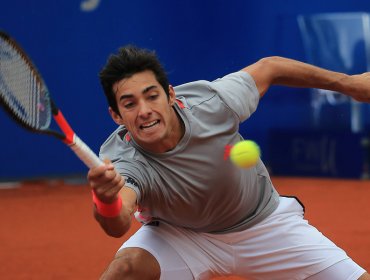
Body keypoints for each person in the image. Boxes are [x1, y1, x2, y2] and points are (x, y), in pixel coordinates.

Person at [87, 45, 370, 280]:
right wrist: (105, 200)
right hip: (183, 236)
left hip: (264, 225)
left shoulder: (211, 103)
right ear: (116, 115)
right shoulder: (122, 157)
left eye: (152, 96)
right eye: (130, 103)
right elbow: (118, 221)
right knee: (124, 270)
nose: (145, 111)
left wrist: (351, 84)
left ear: (171, 95)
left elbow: (271, 67)